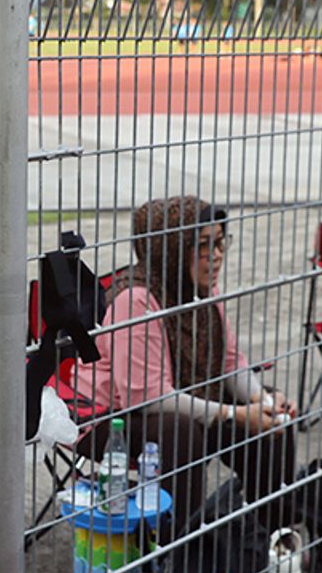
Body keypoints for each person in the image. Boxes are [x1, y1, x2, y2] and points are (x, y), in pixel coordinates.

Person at [72, 196, 298, 529]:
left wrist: (261, 402)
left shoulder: (203, 292)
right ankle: (177, 556)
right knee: (181, 432)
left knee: (273, 421)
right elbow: (146, 398)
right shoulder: (136, 300)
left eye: (221, 242)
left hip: (179, 401)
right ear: (173, 249)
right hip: (109, 416)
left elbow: (231, 361)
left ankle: (270, 536)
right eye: (205, 245)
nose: (218, 254)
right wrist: (234, 414)